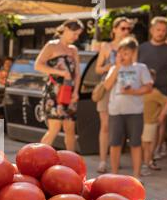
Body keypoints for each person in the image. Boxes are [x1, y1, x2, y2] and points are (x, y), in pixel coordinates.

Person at [104, 37, 153, 179]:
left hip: (135, 112)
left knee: (136, 144)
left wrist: (134, 92)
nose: (123, 56)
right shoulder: (114, 68)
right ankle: (114, 176)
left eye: (126, 53)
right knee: (115, 144)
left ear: (133, 53)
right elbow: (106, 86)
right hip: (116, 112)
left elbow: (149, 87)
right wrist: (117, 67)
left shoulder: (141, 68)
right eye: (121, 53)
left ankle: (136, 177)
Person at [34, 19, 84, 151]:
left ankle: (70, 162)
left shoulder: (74, 49)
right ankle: (37, 157)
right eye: (75, 33)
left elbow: (77, 73)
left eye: (78, 34)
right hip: (54, 91)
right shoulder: (52, 45)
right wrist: (60, 72)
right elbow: (38, 65)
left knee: (70, 129)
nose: (76, 37)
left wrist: (76, 92)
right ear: (66, 29)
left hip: (70, 91)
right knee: (54, 128)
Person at [95, 17, 134, 173]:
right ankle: (103, 161)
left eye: (128, 29)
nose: (126, 31)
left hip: (124, 89)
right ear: (114, 29)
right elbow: (98, 69)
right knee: (105, 126)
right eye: (123, 28)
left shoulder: (131, 46)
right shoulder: (106, 46)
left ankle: (114, 159)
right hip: (107, 88)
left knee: (120, 126)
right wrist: (111, 66)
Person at [139, 17, 167, 160]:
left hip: (163, 92)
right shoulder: (142, 48)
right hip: (143, 92)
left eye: (163, 30)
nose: (161, 33)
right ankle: (146, 156)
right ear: (152, 30)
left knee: (159, 123)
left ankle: (154, 153)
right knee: (145, 125)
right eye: (158, 30)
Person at [141, 69, 167, 176]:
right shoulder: (140, 91)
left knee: (147, 146)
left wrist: (161, 114)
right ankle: (148, 163)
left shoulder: (155, 93)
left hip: (150, 123)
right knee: (144, 145)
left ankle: (146, 165)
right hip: (141, 122)